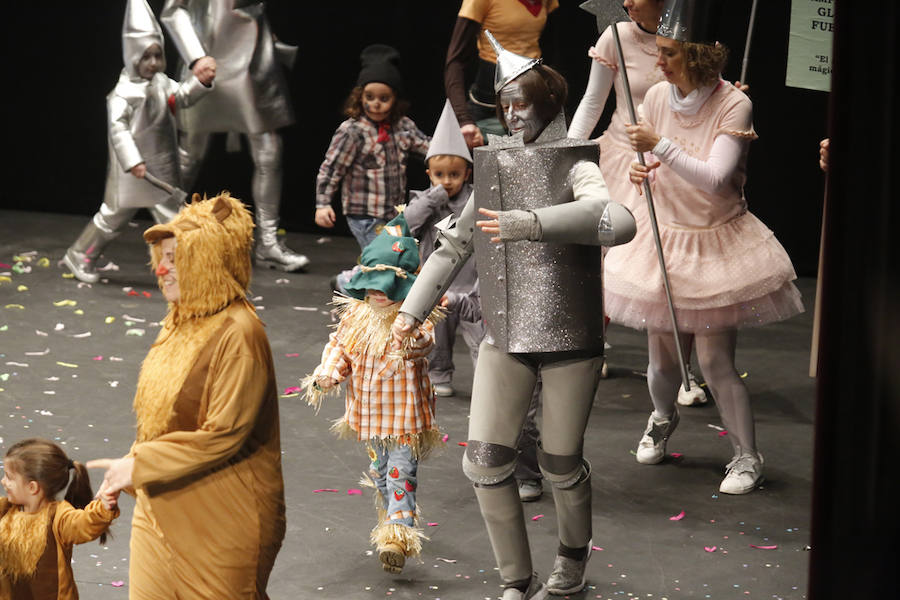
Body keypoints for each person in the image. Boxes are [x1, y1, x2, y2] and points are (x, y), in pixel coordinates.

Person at [392, 34, 636, 599]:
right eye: (505, 106)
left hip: (569, 336)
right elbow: (453, 247)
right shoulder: (497, 166)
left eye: (521, 103)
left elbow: (612, 219)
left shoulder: (573, 160)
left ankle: (570, 565)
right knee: (483, 463)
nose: (512, 115)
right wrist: (410, 313)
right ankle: (514, 580)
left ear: (547, 103)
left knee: (558, 462)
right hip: (507, 332)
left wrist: (534, 222)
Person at [602, 0, 804, 494]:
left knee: (714, 363)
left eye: (669, 53)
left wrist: (660, 147)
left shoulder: (734, 103)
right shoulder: (655, 99)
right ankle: (662, 415)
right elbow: (645, 167)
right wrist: (638, 170)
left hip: (714, 243)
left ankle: (746, 456)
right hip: (665, 239)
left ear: (696, 56)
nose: (659, 62)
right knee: (664, 361)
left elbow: (715, 180)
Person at [88, 192, 286, 598]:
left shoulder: (240, 334)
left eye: (176, 258)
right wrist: (131, 464)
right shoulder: (180, 321)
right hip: (158, 510)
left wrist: (140, 465)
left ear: (209, 260)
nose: (161, 269)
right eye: (161, 257)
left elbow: (223, 434)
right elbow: (163, 421)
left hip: (222, 520)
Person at [569, 0, 714, 406]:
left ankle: (682, 372)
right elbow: (592, 102)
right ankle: (590, 351)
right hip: (621, 157)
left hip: (670, 158)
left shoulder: (689, 34)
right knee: (599, 259)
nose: (627, 3)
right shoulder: (615, 36)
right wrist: (567, 153)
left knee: (671, 261)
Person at [404, 99, 545, 502]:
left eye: (454, 174)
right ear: (429, 172)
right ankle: (442, 374)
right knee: (440, 340)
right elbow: (408, 226)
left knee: (505, 386)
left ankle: (525, 470)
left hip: (483, 295)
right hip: (440, 288)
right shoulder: (428, 201)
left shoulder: (480, 199)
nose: (447, 181)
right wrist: (432, 197)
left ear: (468, 171)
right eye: (439, 174)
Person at [303, 213, 442, 575]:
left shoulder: (413, 319)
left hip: (404, 418)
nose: (377, 294)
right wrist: (329, 374)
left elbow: (424, 343)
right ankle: (390, 524)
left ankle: (398, 535)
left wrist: (406, 331)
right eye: (372, 285)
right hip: (369, 414)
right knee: (381, 473)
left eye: (386, 287)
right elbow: (340, 347)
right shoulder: (356, 317)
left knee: (400, 471)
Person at [63, 0, 212, 284]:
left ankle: (180, 269)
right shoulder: (123, 94)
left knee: (174, 221)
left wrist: (200, 82)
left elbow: (181, 98)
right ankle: (81, 254)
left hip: (161, 167)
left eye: (158, 55)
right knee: (112, 217)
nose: (153, 63)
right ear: (133, 56)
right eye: (146, 57)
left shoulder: (162, 83)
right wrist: (133, 162)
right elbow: (118, 130)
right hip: (132, 173)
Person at [160, 0, 310, 272]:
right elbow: (173, 9)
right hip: (208, 55)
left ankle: (267, 243)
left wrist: (265, 34)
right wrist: (195, 56)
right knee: (189, 154)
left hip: (252, 58)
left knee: (269, 151)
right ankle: (167, 232)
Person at [316, 44, 431, 251]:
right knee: (382, 258)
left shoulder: (403, 126)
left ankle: (348, 281)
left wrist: (453, 147)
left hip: (392, 213)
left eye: (384, 98)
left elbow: (428, 147)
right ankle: (348, 282)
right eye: (370, 97)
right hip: (364, 214)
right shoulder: (352, 131)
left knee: (389, 259)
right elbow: (331, 169)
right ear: (360, 97)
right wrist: (323, 204)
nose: (376, 104)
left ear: (395, 100)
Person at [0, 438, 118, 599]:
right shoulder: (6, 509)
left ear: (32, 487)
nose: (3, 482)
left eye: (9, 477)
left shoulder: (58, 516)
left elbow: (83, 524)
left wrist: (103, 507)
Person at [445, 0, 559, 148]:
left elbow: (551, 47)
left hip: (531, 98)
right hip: (489, 103)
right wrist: (463, 119)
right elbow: (455, 61)